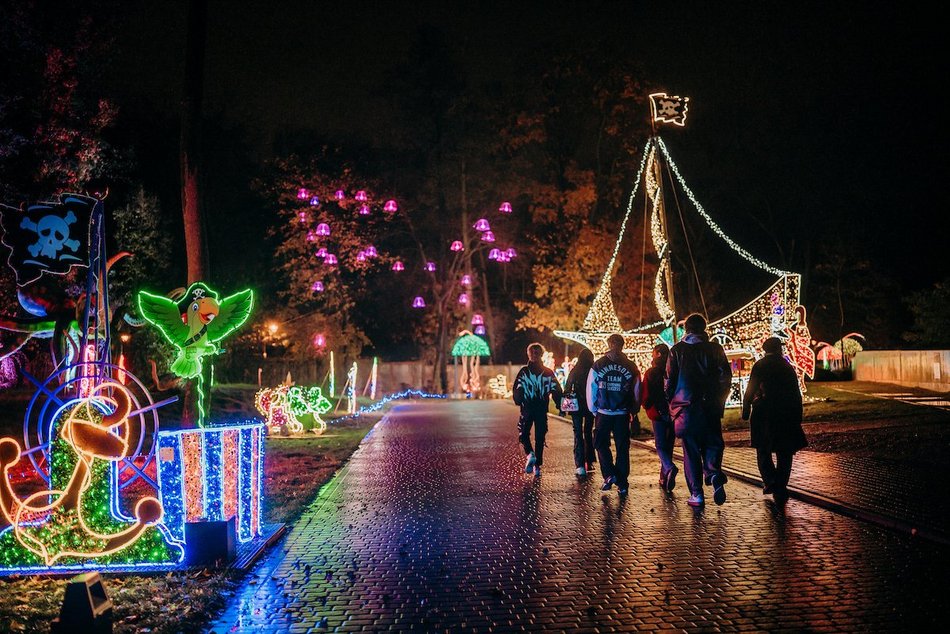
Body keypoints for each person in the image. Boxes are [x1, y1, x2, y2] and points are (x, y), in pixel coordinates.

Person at [665, 313, 732, 507]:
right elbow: (725, 377)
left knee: (691, 450)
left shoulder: (677, 351)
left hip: (685, 409)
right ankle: (713, 474)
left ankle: (696, 493)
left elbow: (669, 381)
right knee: (713, 443)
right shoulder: (715, 349)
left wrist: (673, 402)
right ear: (704, 328)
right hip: (710, 407)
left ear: (686, 329)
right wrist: (718, 400)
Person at [741, 337, 807, 504]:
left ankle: (770, 481)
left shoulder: (760, 365)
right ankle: (780, 484)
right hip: (785, 414)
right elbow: (795, 392)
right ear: (779, 349)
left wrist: (746, 408)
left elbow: (751, 388)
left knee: (763, 450)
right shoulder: (787, 367)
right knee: (784, 452)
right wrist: (797, 415)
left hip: (763, 413)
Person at [586, 334, 641, 496]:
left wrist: (593, 409)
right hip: (622, 413)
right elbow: (637, 390)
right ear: (622, 345)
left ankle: (609, 474)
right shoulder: (631, 366)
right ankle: (622, 482)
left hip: (604, 412)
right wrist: (634, 408)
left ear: (609, 344)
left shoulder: (598, 365)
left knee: (601, 443)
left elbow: (591, 389)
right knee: (623, 447)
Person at [513, 343, 563, 477]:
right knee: (540, 437)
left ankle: (530, 455)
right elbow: (556, 390)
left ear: (529, 354)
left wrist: (518, 400)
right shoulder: (547, 372)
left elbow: (518, 389)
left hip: (527, 408)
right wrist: (560, 406)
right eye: (533, 353)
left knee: (523, 433)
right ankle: (537, 466)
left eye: (535, 353)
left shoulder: (524, 372)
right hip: (541, 408)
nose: (534, 355)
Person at [642, 343, 677, 492]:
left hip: (658, 412)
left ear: (657, 354)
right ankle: (664, 477)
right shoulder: (673, 370)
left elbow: (646, 393)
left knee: (660, 445)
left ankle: (669, 468)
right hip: (674, 411)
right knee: (668, 445)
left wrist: (647, 404)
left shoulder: (651, 372)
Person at [564, 348, 595, 476]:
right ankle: (589, 460)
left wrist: (564, 406)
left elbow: (567, 387)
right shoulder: (593, 370)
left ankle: (580, 464)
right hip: (589, 405)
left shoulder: (575, 371)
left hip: (576, 406)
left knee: (577, 433)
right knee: (588, 432)